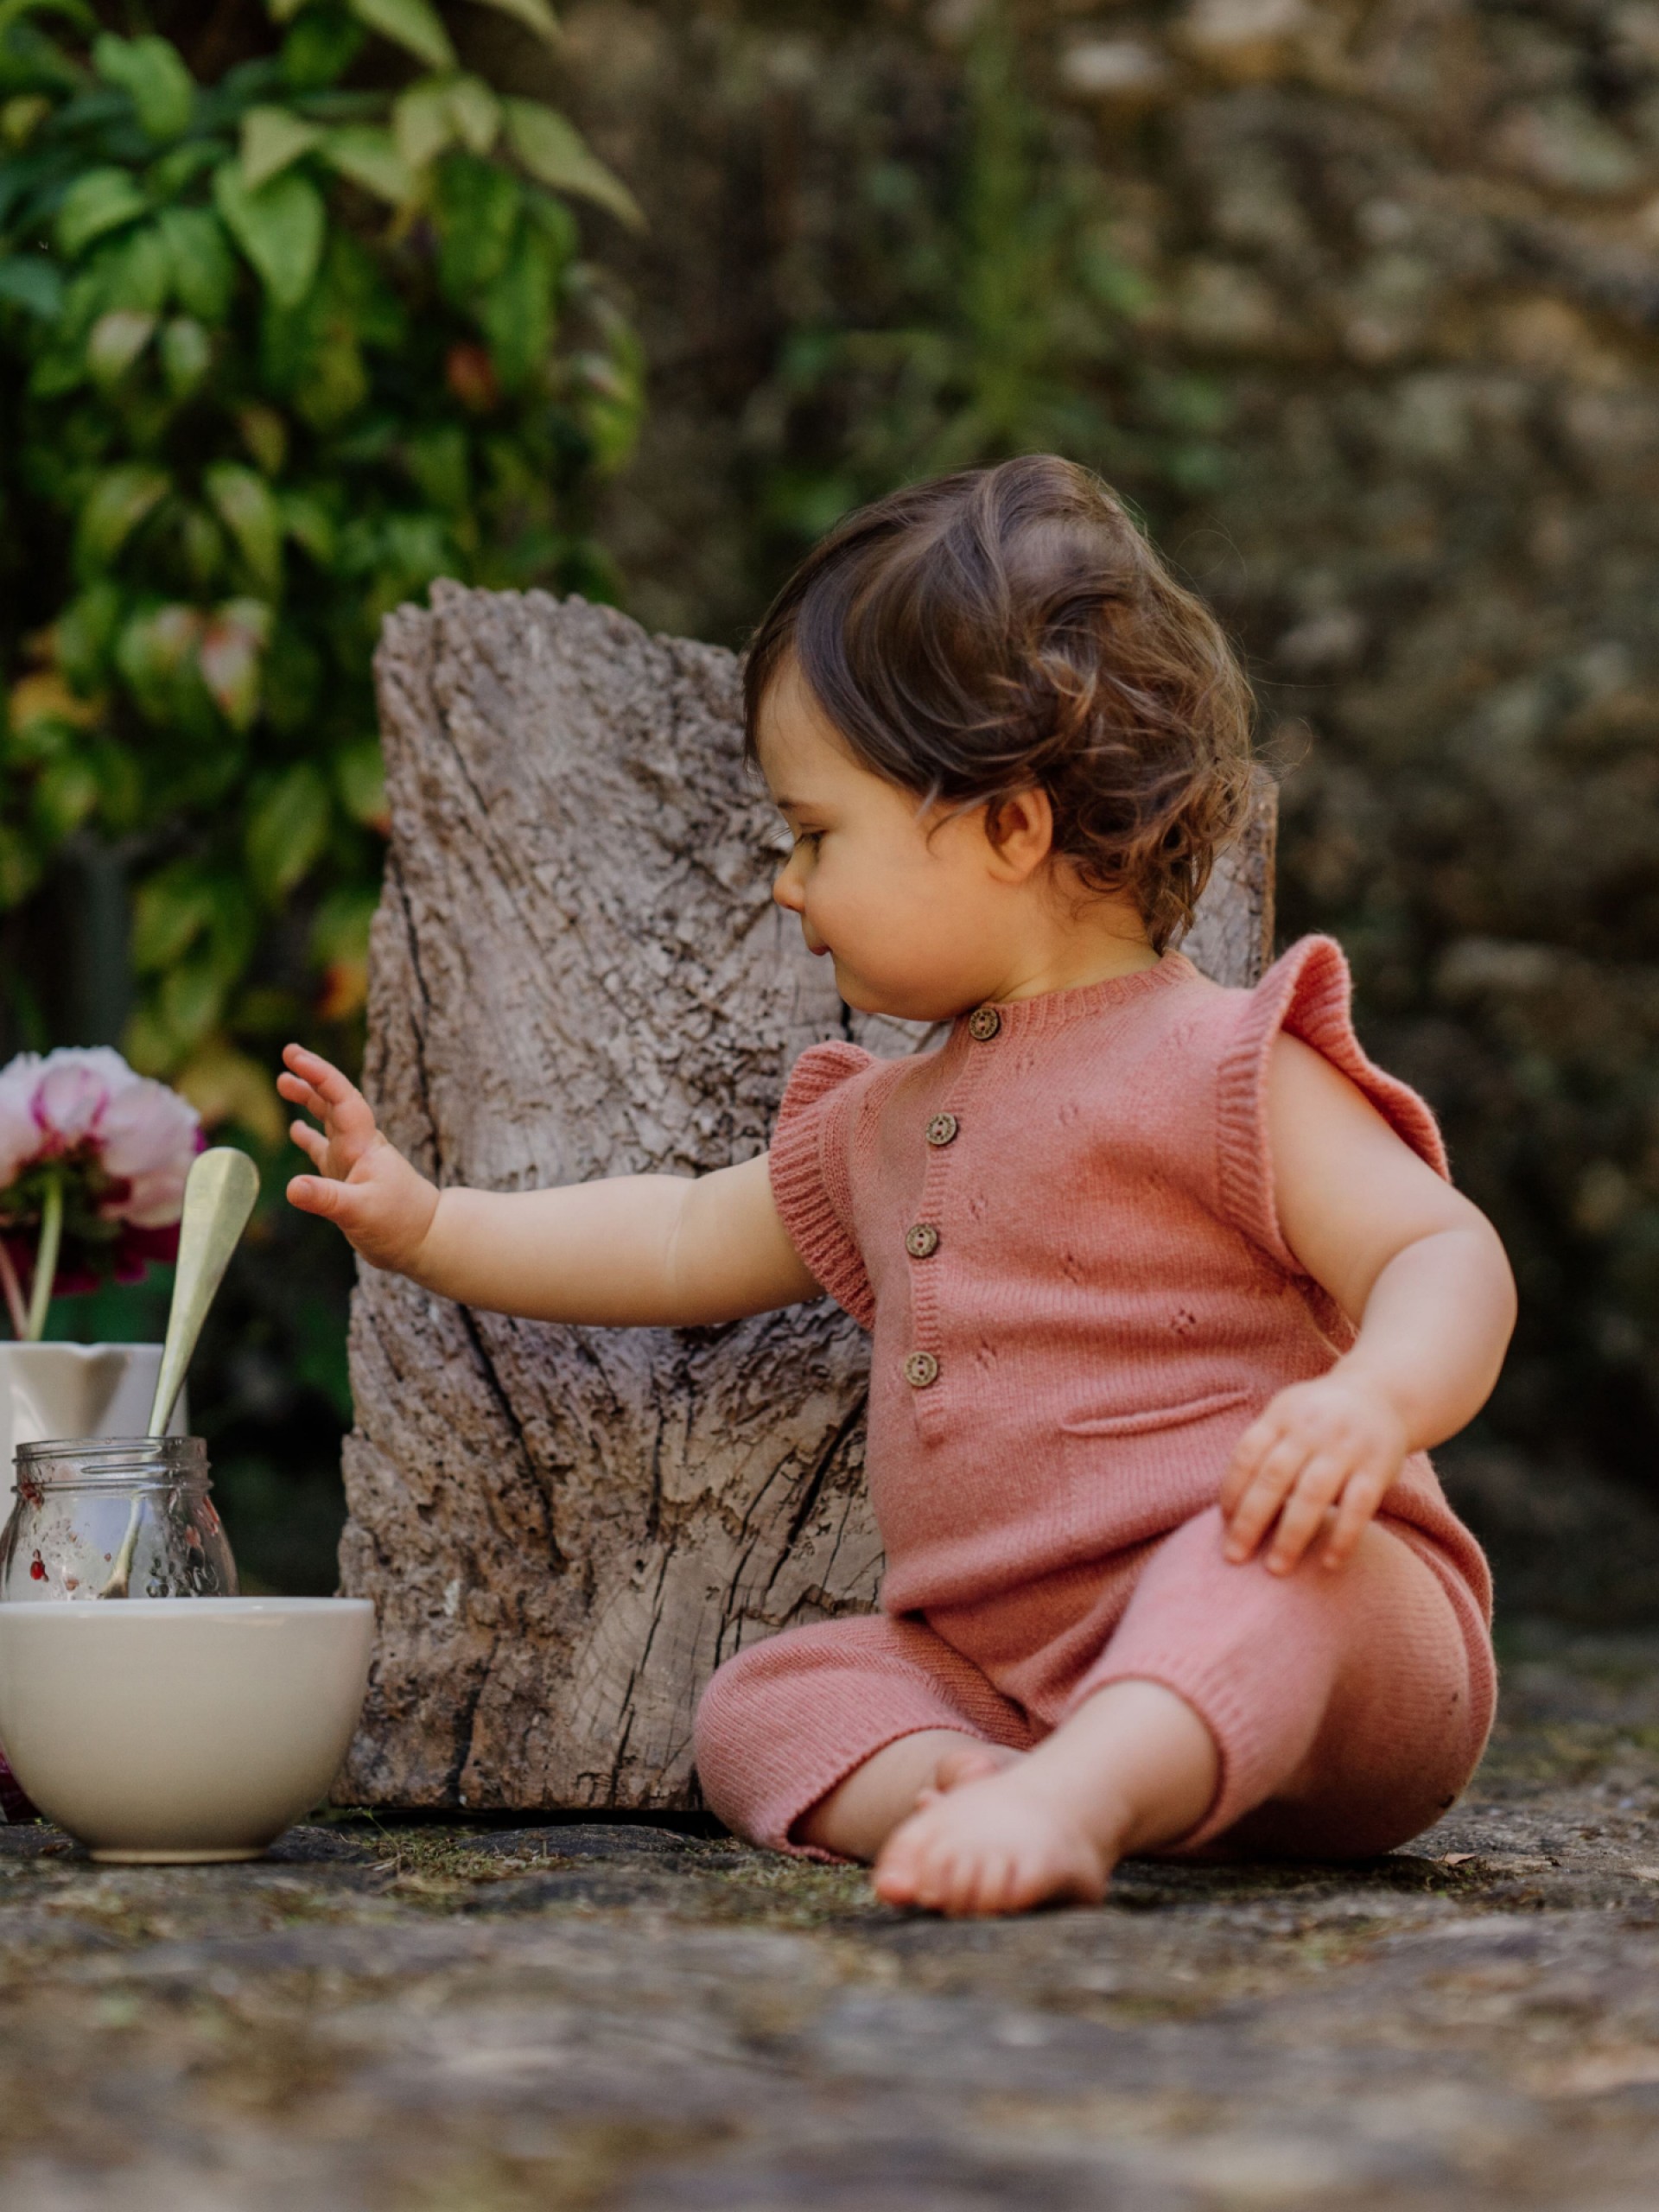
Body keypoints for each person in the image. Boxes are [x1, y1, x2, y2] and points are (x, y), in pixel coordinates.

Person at [281, 457, 1515, 1918]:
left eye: (816, 835)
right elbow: (681, 1235)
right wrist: (431, 1224)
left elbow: (1443, 1249)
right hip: (1015, 1682)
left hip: (1336, 1637)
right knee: (768, 1700)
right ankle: (984, 1791)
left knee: (1251, 1569)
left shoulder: (1226, 1061)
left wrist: (1372, 1405)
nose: (789, 887)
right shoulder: (880, 1125)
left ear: (1008, 824)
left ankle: (1080, 1795)